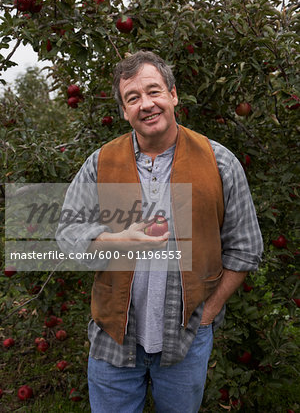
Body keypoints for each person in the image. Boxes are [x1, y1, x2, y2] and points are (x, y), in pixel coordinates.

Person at [56, 51, 263, 413]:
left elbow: (245, 250)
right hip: (113, 338)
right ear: (123, 111)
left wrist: (209, 314)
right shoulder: (100, 163)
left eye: (153, 91)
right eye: (132, 98)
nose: (146, 104)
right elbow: (67, 233)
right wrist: (115, 240)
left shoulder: (219, 162)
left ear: (173, 95)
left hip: (186, 337)